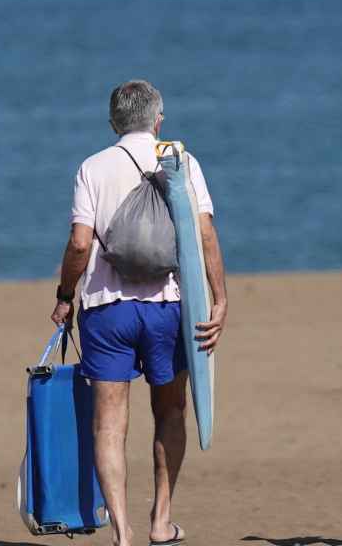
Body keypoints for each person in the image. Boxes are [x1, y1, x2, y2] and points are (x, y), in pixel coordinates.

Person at [49, 80, 228, 546]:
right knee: (170, 410)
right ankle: (160, 521)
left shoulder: (92, 168)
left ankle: (123, 533)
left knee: (109, 421)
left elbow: (80, 243)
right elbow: (204, 233)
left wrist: (65, 294)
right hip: (170, 308)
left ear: (113, 122)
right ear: (158, 119)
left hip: (106, 311)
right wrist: (219, 297)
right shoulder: (183, 163)